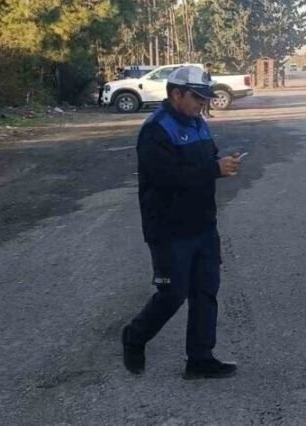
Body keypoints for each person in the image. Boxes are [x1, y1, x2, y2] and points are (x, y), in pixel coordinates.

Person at [121, 65, 243, 379]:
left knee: (206, 290)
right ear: (176, 94)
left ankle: (200, 358)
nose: (203, 103)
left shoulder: (199, 123)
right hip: (169, 228)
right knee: (172, 294)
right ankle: (134, 336)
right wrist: (214, 170)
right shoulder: (156, 130)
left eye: (205, 98)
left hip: (203, 224)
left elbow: (205, 162)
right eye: (197, 97)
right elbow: (166, 178)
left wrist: (223, 164)